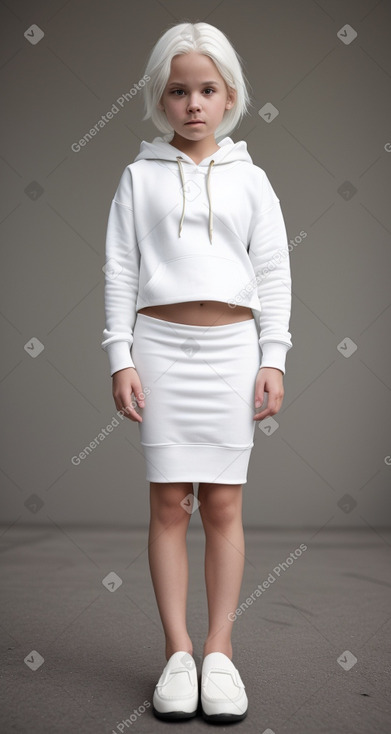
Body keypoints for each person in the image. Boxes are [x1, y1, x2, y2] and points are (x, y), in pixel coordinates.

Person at [101, 20, 293, 724]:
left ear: (229, 95)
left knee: (222, 506)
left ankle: (220, 652)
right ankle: (176, 653)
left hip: (231, 353)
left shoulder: (252, 178)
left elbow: (273, 272)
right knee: (166, 504)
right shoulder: (138, 176)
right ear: (159, 97)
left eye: (206, 90)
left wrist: (272, 357)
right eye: (178, 90)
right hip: (159, 349)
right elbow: (120, 270)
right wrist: (119, 356)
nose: (192, 103)